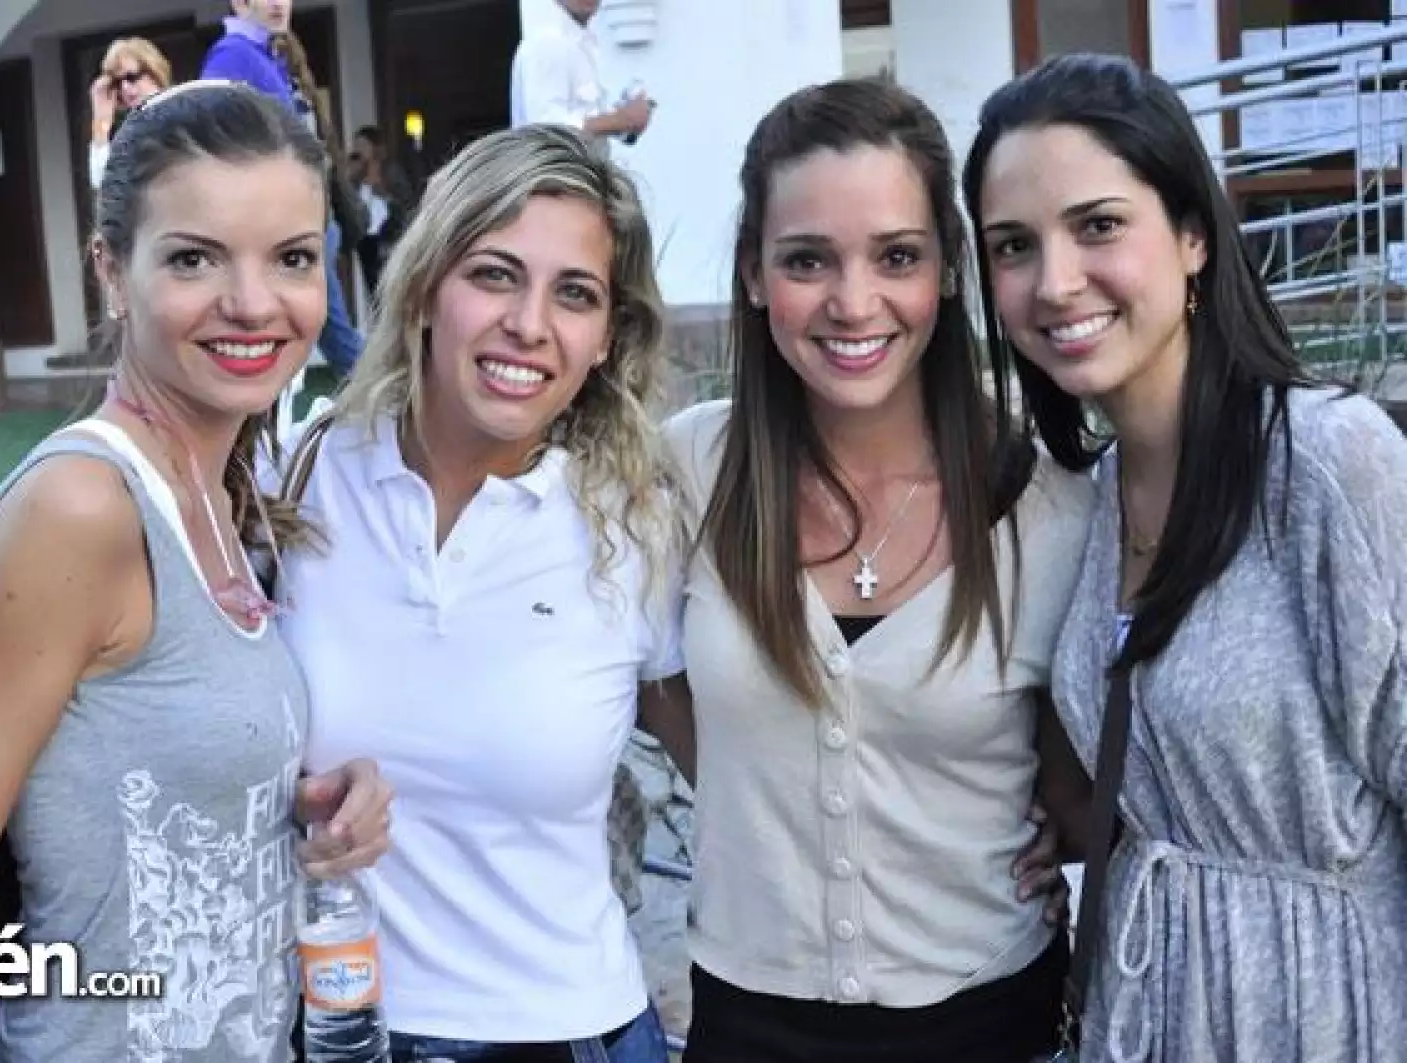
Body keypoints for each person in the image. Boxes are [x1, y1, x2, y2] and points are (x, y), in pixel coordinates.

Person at [0, 82, 391, 1063]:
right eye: (194, 258)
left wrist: (302, 797)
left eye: (290, 258)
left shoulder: (225, 489)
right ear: (112, 271)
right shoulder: (80, 507)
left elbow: (134, 782)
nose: (251, 303)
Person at [962, 52, 1407, 1062]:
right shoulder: (1090, 494)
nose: (1053, 281)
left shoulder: (1328, 464)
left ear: (1194, 234)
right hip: (1144, 1014)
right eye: (1011, 246)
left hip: (1326, 1016)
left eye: (1098, 226)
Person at [652, 76, 1090, 1063]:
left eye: (896, 256)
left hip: (991, 1015)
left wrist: (1059, 826)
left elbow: (1084, 764)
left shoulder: (1045, 494)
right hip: (748, 1016)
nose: (854, 303)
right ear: (755, 274)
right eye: (807, 259)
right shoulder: (689, 470)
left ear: (945, 269)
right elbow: (646, 683)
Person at [272, 123, 679, 1061]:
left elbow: (744, 762)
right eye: (494, 274)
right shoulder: (308, 473)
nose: (529, 324)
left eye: (574, 294)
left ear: (605, 338)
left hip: (570, 1034)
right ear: (424, 288)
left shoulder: (638, 521)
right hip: (334, 1027)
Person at [201, 0, 367, 378]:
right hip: (279, 225)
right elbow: (214, 147)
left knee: (315, 329)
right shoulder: (232, 57)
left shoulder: (267, 55)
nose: (279, 2)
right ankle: (389, 405)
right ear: (240, 2)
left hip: (307, 219)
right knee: (328, 332)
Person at [510, 0, 653, 144]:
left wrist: (627, 122)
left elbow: (584, 120)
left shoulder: (584, 41)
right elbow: (546, 129)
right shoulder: (549, 42)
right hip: (560, 165)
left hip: (583, 163)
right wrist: (619, 120)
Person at [86, 37, 170, 190]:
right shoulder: (131, 129)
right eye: (117, 82)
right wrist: (101, 120)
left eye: (131, 77)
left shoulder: (180, 111)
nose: (124, 87)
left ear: (154, 73)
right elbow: (104, 183)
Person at [347, 125, 417, 297]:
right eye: (356, 145)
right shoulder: (356, 173)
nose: (358, 149)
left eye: (363, 144)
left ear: (374, 147)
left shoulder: (390, 170)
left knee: (391, 286)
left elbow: (408, 202)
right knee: (373, 289)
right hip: (366, 237)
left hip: (390, 235)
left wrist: (383, 192)